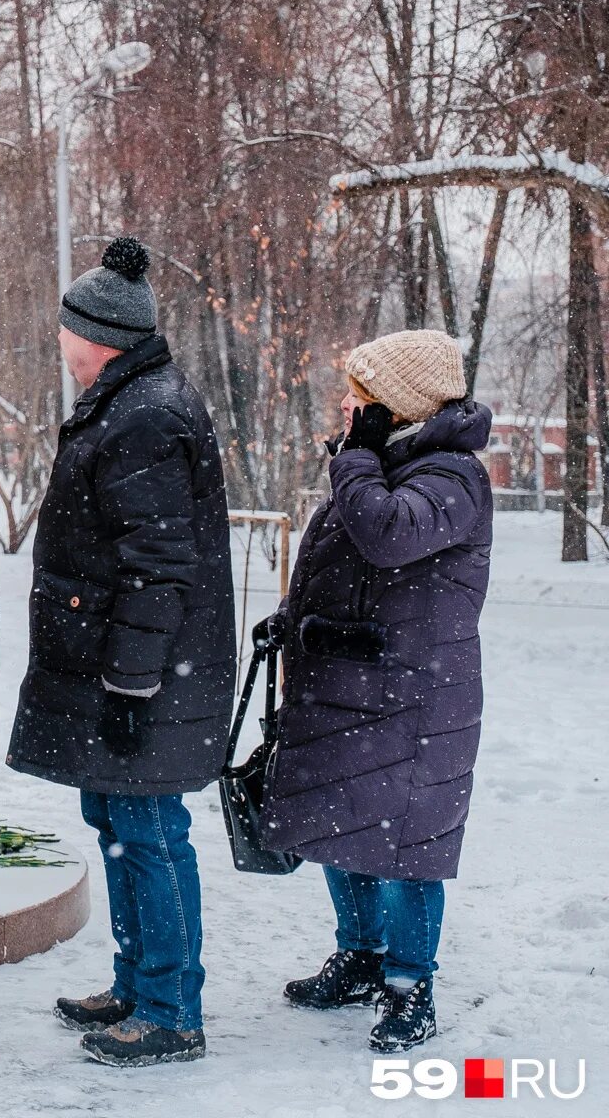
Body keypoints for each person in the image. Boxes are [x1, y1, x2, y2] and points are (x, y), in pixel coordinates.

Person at [5, 236, 237, 1067]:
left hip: (145, 680)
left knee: (149, 831)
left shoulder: (144, 415)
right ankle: (138, 983)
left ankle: (171, 1010)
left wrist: (131, 684)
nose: (59, 345)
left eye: (65, 332)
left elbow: (159, 565)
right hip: (129, 672)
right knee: (118, 822)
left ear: (97, 335)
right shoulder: (130, 401)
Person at [256, 329, 491, 1053]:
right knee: (343, 824)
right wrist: (292, 621)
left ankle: (409, 986)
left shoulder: (452, 475)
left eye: (360, 393)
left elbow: (387, 535)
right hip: (352, 686)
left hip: (414, 698)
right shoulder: (387, 463)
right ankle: (360, 957)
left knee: (405, 846)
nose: (347, 404)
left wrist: (355, 456)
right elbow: (350, 564)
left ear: (396, 404)